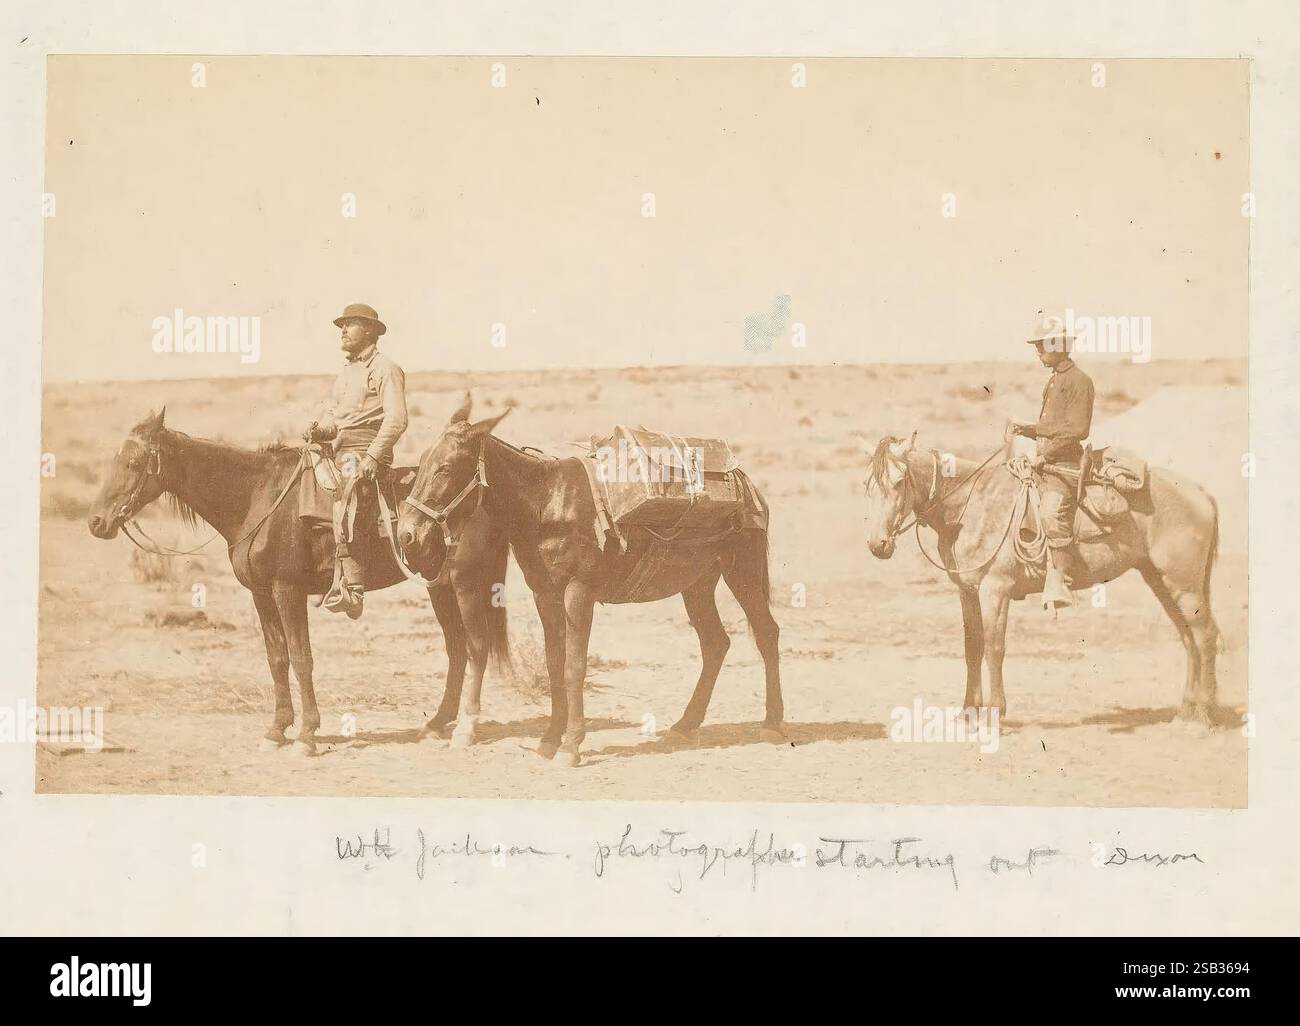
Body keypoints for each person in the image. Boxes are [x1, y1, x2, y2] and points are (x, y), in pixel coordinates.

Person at [308, 303, 409, 617]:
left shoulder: (385, 369)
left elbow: (397, 419)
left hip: (366, 450)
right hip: (340, 448)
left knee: (348, 496)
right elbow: (335, 421)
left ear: (369, 331)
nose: (343, 330)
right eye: (342, 325)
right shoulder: (346, 373)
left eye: (349, 324)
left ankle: (353, 589)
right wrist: (318, 429)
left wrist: (374, 456)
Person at [1011, 311, 1095, 611]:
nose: (1038, 352)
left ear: (1058, 346)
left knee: (1049, 513)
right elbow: (1052, 426)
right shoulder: (1055, 381)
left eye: (1041, 346)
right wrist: (1027, 430)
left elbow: (1077, 430)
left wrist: (1045, 455)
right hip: (1046, 464)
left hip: (1064, 466)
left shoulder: (1079, 381)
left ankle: (1061, 579)